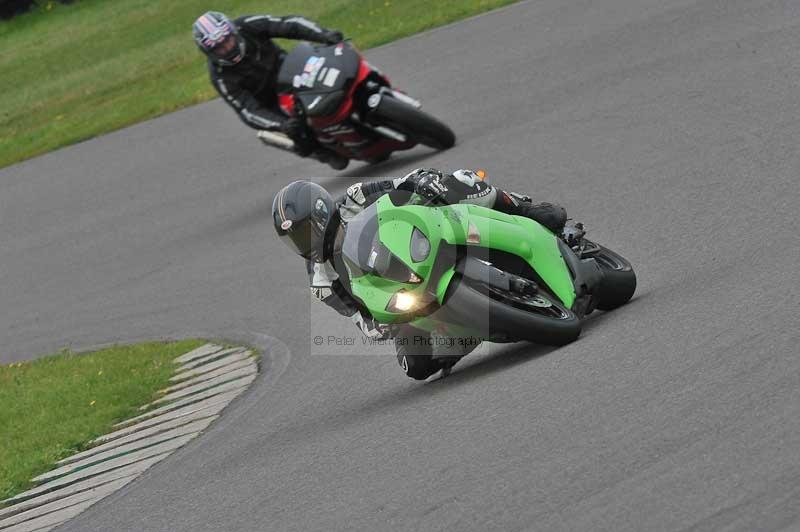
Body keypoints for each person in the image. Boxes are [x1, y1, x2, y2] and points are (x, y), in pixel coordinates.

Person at [272, 168, 582, 381]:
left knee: (462, 182)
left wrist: (423, 182)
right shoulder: (320, 280)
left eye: (304, 232)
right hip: (398, 295)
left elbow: (400, 183)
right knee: (415, 367)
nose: (303, 243)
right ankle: (463, 337)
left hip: (418, 242)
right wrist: (380, 325)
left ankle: (525, 211)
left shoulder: (354, 197)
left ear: (322, 212)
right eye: (294, 240)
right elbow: (358, 315)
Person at [193, 11, 348, 169]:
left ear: (233, 31)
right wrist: (282, 125)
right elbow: (247, 110)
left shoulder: (248, 24)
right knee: (300, 134)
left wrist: (324, 34)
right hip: (271, 102)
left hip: (291, 71)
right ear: (210, 53)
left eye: (228, 40)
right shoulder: (220, 77)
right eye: (220, 48)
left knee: (334, 70)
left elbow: (290, 24)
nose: (228, 47)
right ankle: (320, 152)